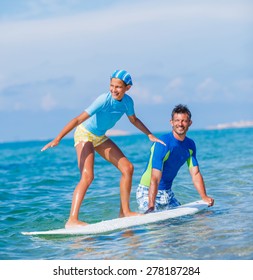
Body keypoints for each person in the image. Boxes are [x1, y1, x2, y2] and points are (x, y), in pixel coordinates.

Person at [41, 69, 165, 228]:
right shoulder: (103, 100)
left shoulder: (128, 102)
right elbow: (78, 119)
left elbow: (134, 120)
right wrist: (58, 138)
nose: (114, 90)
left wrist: (149, 134)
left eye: (118, 87)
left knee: (128, 168)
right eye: (112, 85)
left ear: (127, 88)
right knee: (87, 176)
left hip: (99, 137)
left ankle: (124, 212)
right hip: (84, 134)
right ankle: (72, 220)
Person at [136, 104, 214, 213]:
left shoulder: (190, 145)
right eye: (177, 120)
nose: (180, 124)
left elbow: (195, 173)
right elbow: (155, 178)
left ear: (189, 123)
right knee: (156, 226)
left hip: (167, 193)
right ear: (171, 122)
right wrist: (151, 206)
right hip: (148, 191)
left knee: (185, 221)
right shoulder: (163, 143)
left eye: (184, 121)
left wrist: (204, 196)